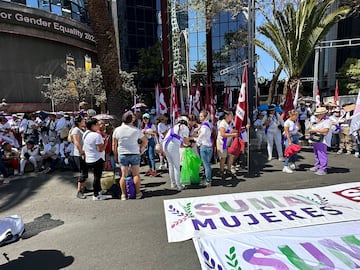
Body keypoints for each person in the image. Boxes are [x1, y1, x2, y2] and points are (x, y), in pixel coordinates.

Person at [112, 111, 148, 200]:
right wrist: (141, 148)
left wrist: (115, 155)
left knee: (123, 175)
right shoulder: (136, 130)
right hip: (134, 152)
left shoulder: (117, 130)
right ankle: (138, 193)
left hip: (122, 153)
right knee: (136, 174)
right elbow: (145, 141)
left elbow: (114, 145)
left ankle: (123, 194)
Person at [83, 118, 109, 201]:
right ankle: (96, 194)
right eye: (97, 124)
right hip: (97, 158)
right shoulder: (97, 135)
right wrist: (105, 143)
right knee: (97, 177)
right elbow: (100, 149)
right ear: (93, 126)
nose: (98, 126)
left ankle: (99, 191)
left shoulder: (86, 134)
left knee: (95, 177)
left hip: (89, 158)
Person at [162, 116, 190, 191]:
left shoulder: (174, 127)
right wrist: (191, 143)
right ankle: (179, 185)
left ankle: (173, 183)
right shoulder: (184, 127)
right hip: (172, 145)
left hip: (165, 144)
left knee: (171, 165)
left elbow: (179, 140)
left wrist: (184, 145)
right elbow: (186, 140)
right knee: (176, 166)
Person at [308, 107, 332, 176]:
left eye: (318, 114)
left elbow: (325, 130)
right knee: (316, 153)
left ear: (323, 114)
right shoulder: (319, 120)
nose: (317, 115)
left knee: (321, 154)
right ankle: (318, 165)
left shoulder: (327, 120)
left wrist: (314, 130)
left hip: (322, 139)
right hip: (316, 138)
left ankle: (323, 169)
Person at [216, 110, 238, 179]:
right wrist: (233, 134)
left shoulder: (229, 123)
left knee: (231, 156)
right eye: (231, 115)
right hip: (222, 142)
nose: (232, 117)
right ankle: (221, 171)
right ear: (226, 116)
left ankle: (228, 170)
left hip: (229, 142)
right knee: (223, 158)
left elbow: (231, 130)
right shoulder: (223, 123)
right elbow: (223, 134)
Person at [70, 115, 88, 199]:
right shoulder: (76, 130)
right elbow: (76, 142)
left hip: (83, 153)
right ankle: (79, 191)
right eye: (83, 120)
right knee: (82, 172)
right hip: (78, 154)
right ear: (79, 122)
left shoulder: (81, 130)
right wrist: (81, 153)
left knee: (85, 172)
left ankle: (83, 187)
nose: (84, 121)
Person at [197, 110, 213, 187]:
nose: (200, 118)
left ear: (205, 117)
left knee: (206, 165)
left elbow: (202, 134)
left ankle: (208, 181)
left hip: (204, 146)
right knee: (207, 165)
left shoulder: (204, 126)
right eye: (200, 116)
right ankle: (208, 179)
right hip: (209, 146)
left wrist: (198, 142)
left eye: (201, 116)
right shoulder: (208, 124)